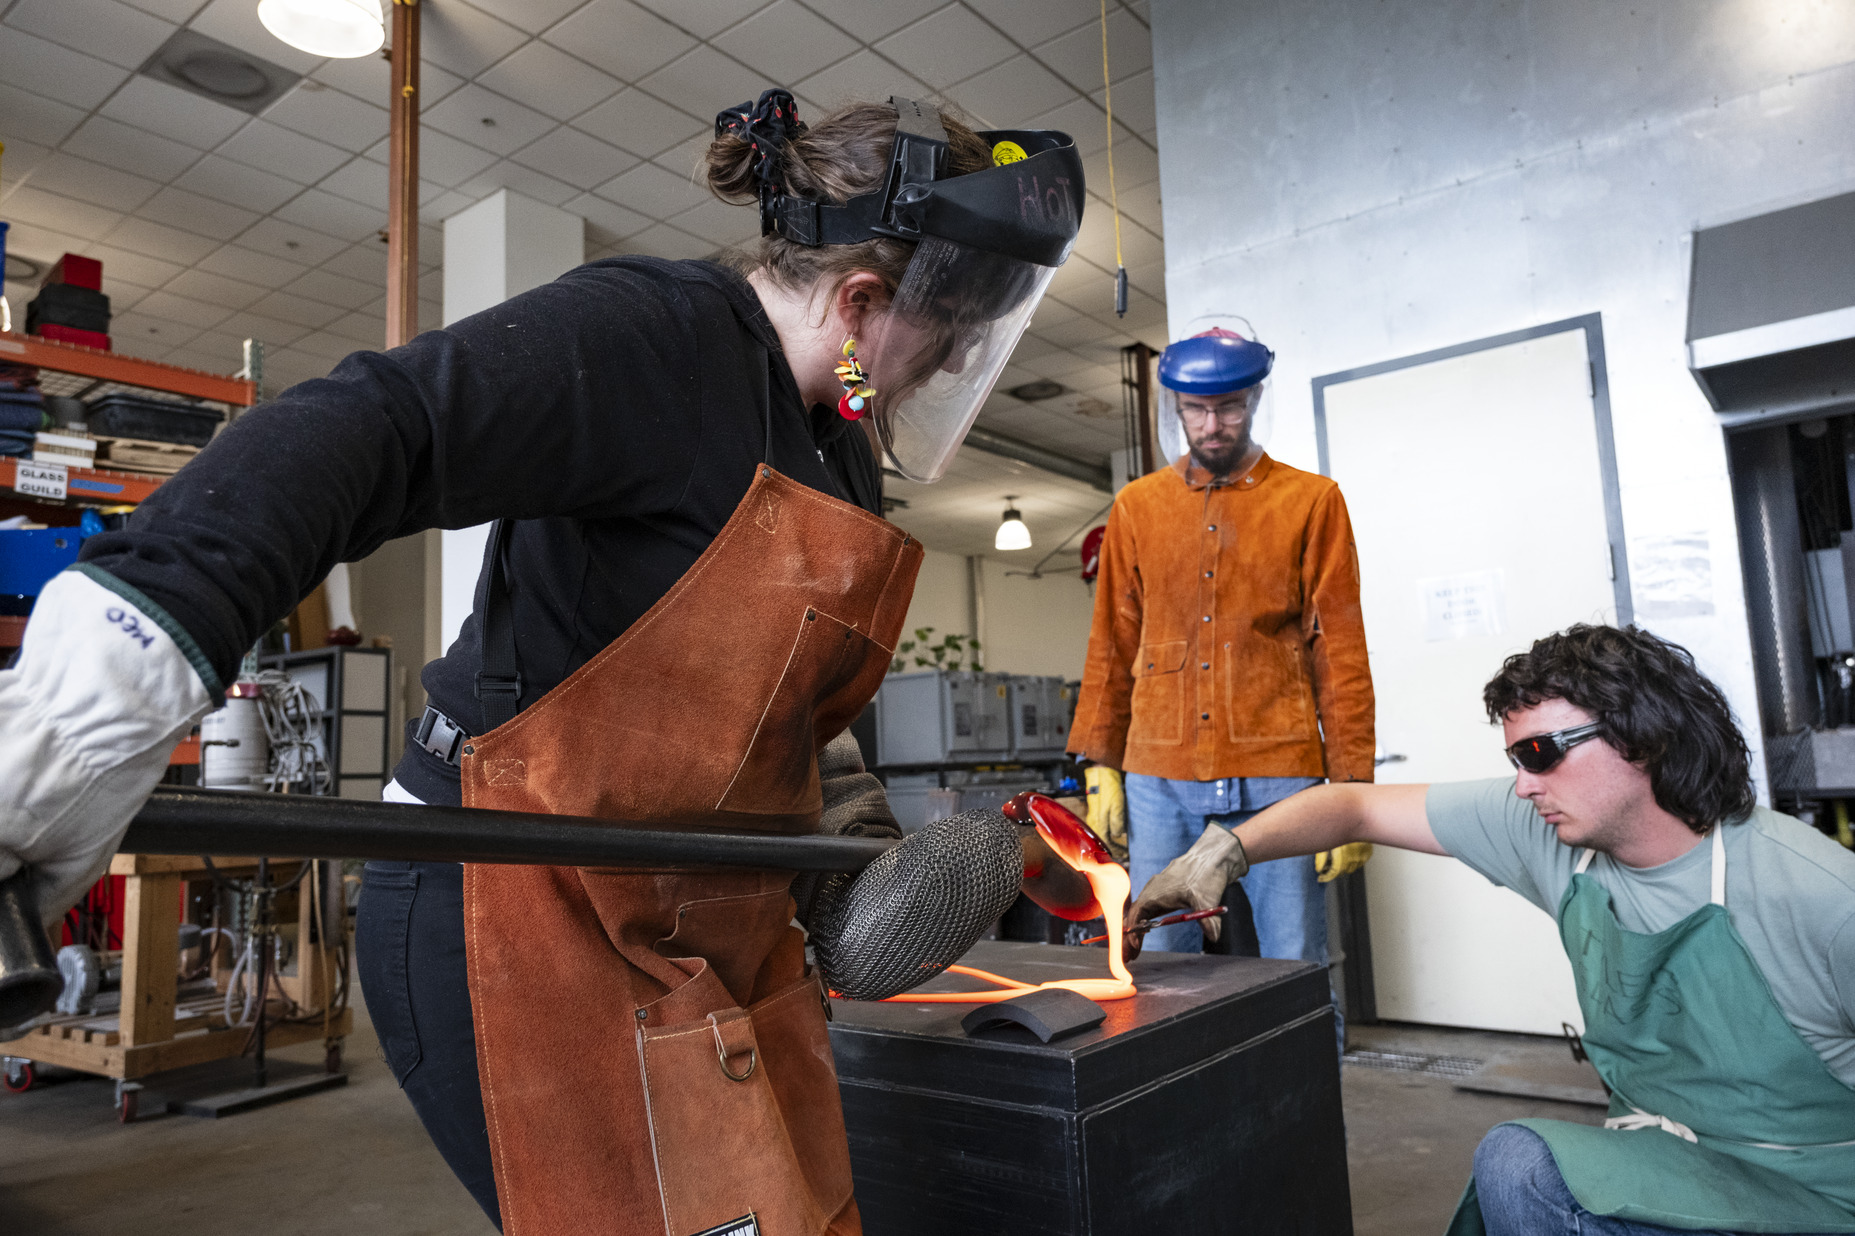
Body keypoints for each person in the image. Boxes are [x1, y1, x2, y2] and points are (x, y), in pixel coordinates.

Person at [0, 90, 1083, 1235]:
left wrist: (845, 844)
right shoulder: (660, 342)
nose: (947, 367)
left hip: (686, 917)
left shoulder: (840, 445)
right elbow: (375, 428)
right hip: (507, 905)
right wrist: (105, 684)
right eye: (947, 340)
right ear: (862, 300)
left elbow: (791, 704)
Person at [1127, 624, 1855, 1236]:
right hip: (1670, 1165)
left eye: (1540, 753)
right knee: (1522, 1165)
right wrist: (1221, 852)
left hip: (1812, 1196)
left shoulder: (1818, 895)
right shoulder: (1548, 833)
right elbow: (1350, 806)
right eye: (1515, 760)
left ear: (1645, 737)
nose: (1522, 784)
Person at [1067, 327, 1376, 984]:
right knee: (1153, 958)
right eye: (1196, 409)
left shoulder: (1311, 502)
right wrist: (1099, 765)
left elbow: (1339, 651)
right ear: (1175, 407)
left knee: (1296, 962)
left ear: (1255, 398)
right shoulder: (1136, 508)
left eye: (1229, 406)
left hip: (1278, 775)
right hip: (1160, 776)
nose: (1212, 424)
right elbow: (1112, 644)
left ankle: (1303, 1088)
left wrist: (1351, 792)